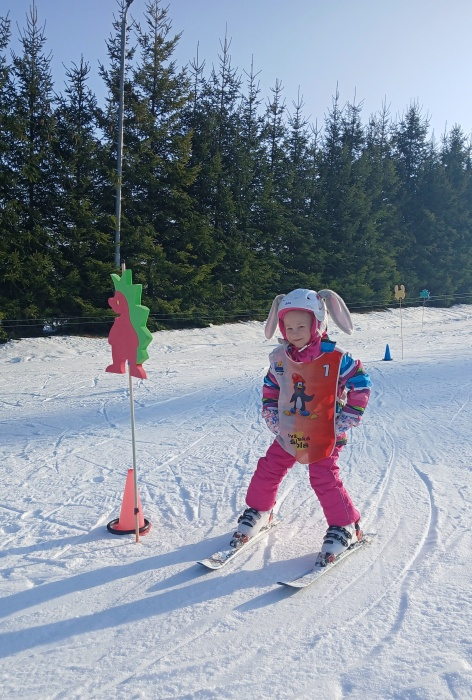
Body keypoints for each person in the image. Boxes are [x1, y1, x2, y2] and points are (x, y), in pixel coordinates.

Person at [230, 288, 371, 563]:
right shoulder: (281, 358)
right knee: (269, 466)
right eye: (289, 327)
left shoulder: (336, 357)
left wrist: (349, 416)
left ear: (317, 323)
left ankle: (345, 526)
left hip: (326, 432)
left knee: (323, 475)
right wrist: (271, 413)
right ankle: (260, 510)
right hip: (291, 429)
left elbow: (361, 383)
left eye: (301, 326)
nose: (294, 333)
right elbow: (271, 386)